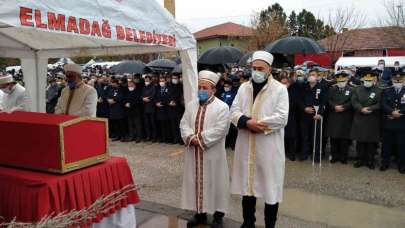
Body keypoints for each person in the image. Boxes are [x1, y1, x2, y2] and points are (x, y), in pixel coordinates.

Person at [230, 51, 289, 228]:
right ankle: (248, 222)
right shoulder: (243, 88)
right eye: (254, 68)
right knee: (248, 187)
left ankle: (270, 224)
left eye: (260, 68)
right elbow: (233, 110)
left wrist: (259, 125)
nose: (256, 72)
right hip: (246, 144)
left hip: (268, 148)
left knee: (271, 187)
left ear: (269, 69)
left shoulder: (279, 89)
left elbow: (281, 117)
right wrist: (246, 122)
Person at [180, 70, 230, 228]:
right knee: (196, 181)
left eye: (205, 88)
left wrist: (198, 139)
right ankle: (200, 214)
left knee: (216, 182)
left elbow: (221, 129)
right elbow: (184, 124)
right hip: (194, 154)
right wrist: (189, 137)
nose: (201, 90)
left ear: (213, 90)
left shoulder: (222, 107)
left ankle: (218, 216)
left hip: (212, 153)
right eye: (199, 87)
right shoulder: (191, 105)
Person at [351, 71, 382, 170]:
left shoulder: (379, 90)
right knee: (360, 141)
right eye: (366, 80)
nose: (368, 81)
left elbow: (380, 103)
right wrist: (361, 108)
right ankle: (360, 159)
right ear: (363, 80)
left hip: (372, 119)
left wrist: (370, 108)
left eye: (370, 80)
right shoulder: (357, 89)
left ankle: (370, 161)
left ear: (373, 80)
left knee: (371, 142)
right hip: (360, 118)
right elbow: (354, 101)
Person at [298, 68, 328, 162]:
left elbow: (324, 102)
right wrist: (304, 108)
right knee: (304, 135)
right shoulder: (303, 86)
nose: (312, 76)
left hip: (316, 116)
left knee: (316, 136)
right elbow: (299, 100)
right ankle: (304, 154)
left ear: (317, 76)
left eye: (314, 74)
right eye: (310, 74)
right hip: (304, 115)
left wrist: (320, 114)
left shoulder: (322, 87)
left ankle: (316, 155)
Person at [327, 71, 354, 164]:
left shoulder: (351, 90)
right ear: (337, 80)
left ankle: (343, 157)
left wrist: (343, 107)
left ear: (347, 79)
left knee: (344, 139)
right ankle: (334, 156)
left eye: (343, 80)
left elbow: (352, 101)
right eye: (339, 80)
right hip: (334, 116)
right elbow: (329, 100)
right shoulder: (332, 89)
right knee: (334, 138)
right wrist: (334, 106)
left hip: (345, 117)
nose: (341, 82)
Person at [380, 72, 405, 174]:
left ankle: (402, 165)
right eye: (395, 80)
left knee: (402, 145)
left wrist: (400, 113)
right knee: (386, 144)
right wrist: (391, 112)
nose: (397, 82)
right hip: (389, 122)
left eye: (400, 80)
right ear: (392, 80)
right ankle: (385, 163)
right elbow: (383, 103)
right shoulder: (387, 90)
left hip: (402, 122)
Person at [280, 74, 300, 161]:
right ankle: (282, 154)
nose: (284, 84)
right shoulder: (279, 91)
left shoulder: (293, 91)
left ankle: (292, 155)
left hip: (291, 116)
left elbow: (295, 102)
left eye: (286, 83)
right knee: (282, 136)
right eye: (282, 83)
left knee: (291, 136)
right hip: (281, 116)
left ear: (289, 83)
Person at [168, 74, 184, 144]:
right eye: (173, 78)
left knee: (179, 124)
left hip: (178, 108)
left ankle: (181, 139)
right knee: (173, 124)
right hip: (171, 108)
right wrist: (169, 102)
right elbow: (167, 95)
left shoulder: (181, 87)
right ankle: (175, 138)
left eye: (176, 78)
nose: (174, 79)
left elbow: (181, 96)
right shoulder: (169, 86)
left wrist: (176, 102)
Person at [155, 76, 171, 143]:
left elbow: (168, 98)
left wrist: (162, 103)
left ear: (165, 81)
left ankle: (168, 138)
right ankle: (163, 138)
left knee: (167, 125)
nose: (161, 82)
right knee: (161, 125)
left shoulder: (168, 88)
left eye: (162, 81)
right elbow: (155, 97)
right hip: (159, 109)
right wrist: (156, 103)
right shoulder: (157, 89)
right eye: (160, 81)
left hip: (166, 109)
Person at [142, 75, 157, 142]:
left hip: (151, 107)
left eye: (147, 80)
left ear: (150, 80)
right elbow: (141, 95)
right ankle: (148, 136)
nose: (146, 81)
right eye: (145, 80)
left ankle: (154, 137)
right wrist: (143, 98)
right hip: (145, 107)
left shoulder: (153, 87)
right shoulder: (144, 87)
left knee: (152, 123)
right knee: (146, 123)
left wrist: (148, 98)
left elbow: (153, 95)